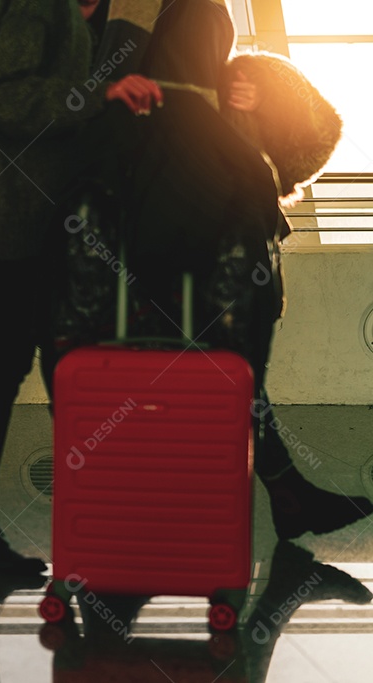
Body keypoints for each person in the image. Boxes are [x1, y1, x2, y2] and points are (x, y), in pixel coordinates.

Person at [56, 0, 373, 539]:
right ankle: (234, 505)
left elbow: (171, 94)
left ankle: (265, 497)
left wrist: (228, 94)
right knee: (208, 365)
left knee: (204, 366)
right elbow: (177, 103)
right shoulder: (193, 10)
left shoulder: (163, 14)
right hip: (177, 211)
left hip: (153, 205)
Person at [0, 0, 164, 574]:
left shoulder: (81, 11)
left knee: (43, 363)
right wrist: (101, 94)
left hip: (53, 218)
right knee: (11, 364)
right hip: (23, 218)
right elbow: (5, 96)